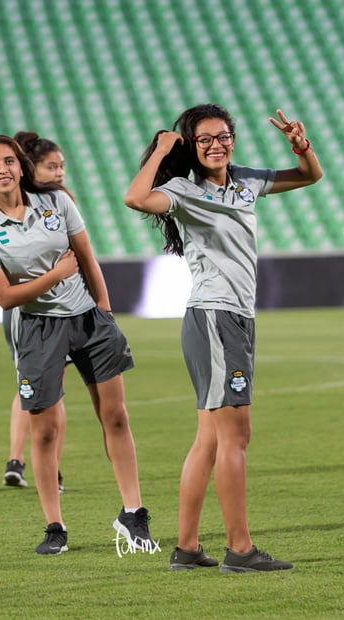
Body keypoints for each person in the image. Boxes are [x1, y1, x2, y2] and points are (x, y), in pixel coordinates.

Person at [124, 104, 323, 572]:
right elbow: (135, 198)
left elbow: (309, 176)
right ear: (191, 146)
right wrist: (160, 149)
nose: (217, 144)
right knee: (236, 436)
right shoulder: (183, 190)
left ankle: (188, 548)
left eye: (224, 135)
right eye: (205, 139)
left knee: (210, 441)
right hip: (215, 318)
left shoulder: (246, 182)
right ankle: (240, 548)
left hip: (231, 319)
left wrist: (301, 142)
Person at [0, 134, 156, 555]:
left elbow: (86, 256)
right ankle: (55, 526)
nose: (3, 169)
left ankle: (133, 513)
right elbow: (6, 297)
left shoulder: (56, 203)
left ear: (21, 166)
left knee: (116, 416)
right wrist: (56, 274)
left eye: (9, 161)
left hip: (87, 318)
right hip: (35, 327)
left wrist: (103, 309)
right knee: (45, 431)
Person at [2, 132, 72, 491]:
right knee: (39, 386)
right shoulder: (14, 205)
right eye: (51, 166)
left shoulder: (60, 201)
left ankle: (28, 463)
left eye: (62, 166)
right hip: (30, 309)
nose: (59, 172)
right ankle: (31, 463)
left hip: (62, 308)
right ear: (32, 168)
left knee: (39, 385)